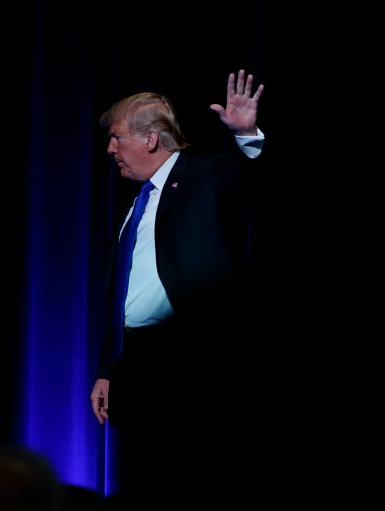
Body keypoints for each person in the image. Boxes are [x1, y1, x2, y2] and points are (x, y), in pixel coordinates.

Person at [89, 70, 270, 504]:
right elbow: (123, 294)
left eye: (117, 137)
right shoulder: (135, 204)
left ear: (151, 139)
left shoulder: (203, 178)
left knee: (190, 478)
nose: (110, 149)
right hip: (136, 362)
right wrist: (108, 368)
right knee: (142, 478)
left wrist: (246, 136)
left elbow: (246, 183)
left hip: (192, 361)